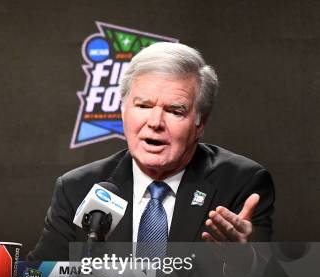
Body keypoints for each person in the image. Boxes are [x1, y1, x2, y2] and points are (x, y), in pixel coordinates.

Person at [28, 42, 275, 262]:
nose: (155, 122)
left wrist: (246, 264)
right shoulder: (77, 188)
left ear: (200, 123)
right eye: (143, 106)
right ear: (123, 112)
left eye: (175, 111)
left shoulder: (241, 184)